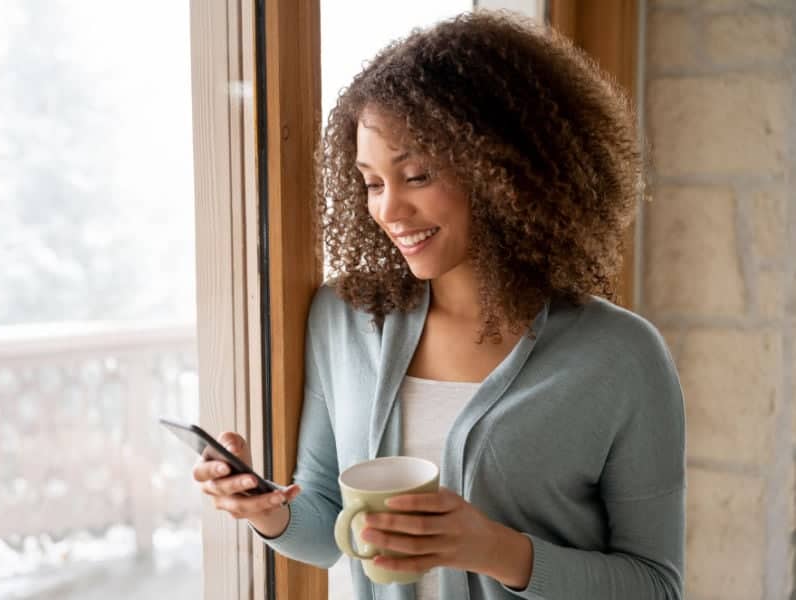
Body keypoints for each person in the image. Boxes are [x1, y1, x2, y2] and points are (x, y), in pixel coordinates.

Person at [193, 10, 685, 600]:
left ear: (505, 169)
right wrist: (263, 509)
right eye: (373, 183)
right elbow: (329, 530)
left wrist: (492, 549)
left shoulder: (620, 355)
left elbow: (656, 585)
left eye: (417, 175)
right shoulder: (344, 319)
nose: (389, 211)